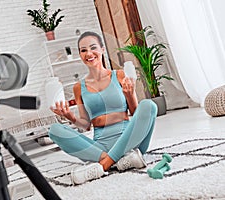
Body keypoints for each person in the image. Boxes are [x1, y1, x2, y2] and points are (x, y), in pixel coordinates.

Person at [48, 31, 158, 185]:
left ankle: (104, 165)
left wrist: (130, 94)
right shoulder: (79, 87)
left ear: (102, 49)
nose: (89, 53)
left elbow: (135, 113)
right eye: (83, 50)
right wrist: (69, 116)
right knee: (54, 130)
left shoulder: (119, 75)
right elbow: (85, 125)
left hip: (130, 139)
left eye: (93, 48)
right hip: (99, 147)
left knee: (148, 105)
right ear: (80, 54)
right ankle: (122, 159)